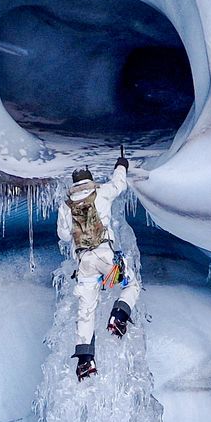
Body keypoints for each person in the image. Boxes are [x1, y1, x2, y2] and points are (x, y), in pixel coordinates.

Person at [57, 156, 138, 380]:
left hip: (84, 263)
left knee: (86, 310)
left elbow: (63, 236)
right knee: (130, 283)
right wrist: (121, 165)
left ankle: (85, 359)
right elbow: (119, 184)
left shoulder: (66, 206)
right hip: (106, 256)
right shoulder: (101, 192)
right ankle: (119, 315)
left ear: (73, 185)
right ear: (90, 180)